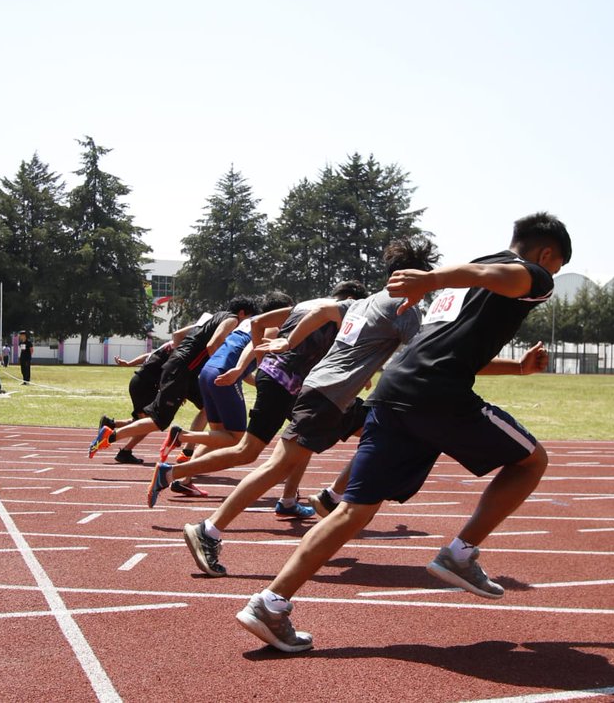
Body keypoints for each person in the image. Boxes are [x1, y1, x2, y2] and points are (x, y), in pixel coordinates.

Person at [235, 212, 571, 653]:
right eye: (557, 267)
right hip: (436, 395)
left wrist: (519, 367)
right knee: (531, 461)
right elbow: (502, 274)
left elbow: (441, 350)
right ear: (547, 254)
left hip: (396, 390)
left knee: (353, 510)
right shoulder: (523, 275)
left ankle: (270, 603)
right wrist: (430, 279)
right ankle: (461, 553)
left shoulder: (467, 284)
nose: (550, 280)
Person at [182, 236, 439, 577]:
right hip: (327, 397)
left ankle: (331, 497)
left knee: (377, 432)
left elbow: (320, 310)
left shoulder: (366, 302)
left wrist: (290, 340)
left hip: (326, 393)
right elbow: (424, 354)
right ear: (415, 278)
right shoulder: (406, 309)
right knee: (276, 466)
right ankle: (209, 530)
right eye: (429, 280)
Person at [148, 280, 368, 514]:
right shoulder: (343, 311)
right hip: (287, 384)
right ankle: (172, 474)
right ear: (352, 299)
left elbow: (258, 322)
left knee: (302, 440)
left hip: (281, 381)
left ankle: (288, 500)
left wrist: (264, 365)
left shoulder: (306, 305)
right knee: (247, 450)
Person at [88, 296, 262, 461]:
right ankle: (110, 435)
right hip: (183, 370)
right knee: (159, 421)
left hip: (186, 371)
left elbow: (179, 335)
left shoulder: (212, 317)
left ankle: (188, 451)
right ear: (242, 313)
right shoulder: (232, 320)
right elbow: (212, 345)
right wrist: (206, 365)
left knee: (206, 407)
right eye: (250, 318)